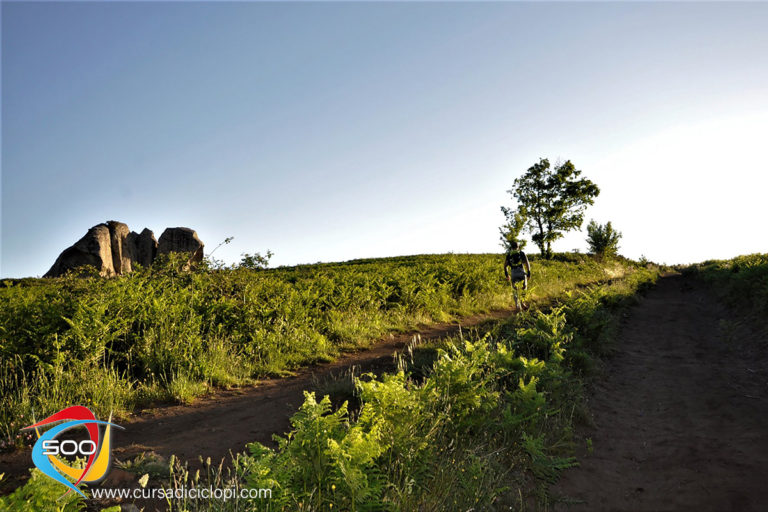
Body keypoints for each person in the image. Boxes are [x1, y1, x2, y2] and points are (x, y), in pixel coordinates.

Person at [504, 241, 531, 310]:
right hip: (521, 272)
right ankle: (523, 303)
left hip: (513, 273)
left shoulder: (509, 254)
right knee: (524, 287)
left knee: (515, 289)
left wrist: (507, 275)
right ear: (518, 246)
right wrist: (528, 273)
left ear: (511, 247)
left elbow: (505, 266)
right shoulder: (521, 253)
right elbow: (527, 263)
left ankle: (517, 306)